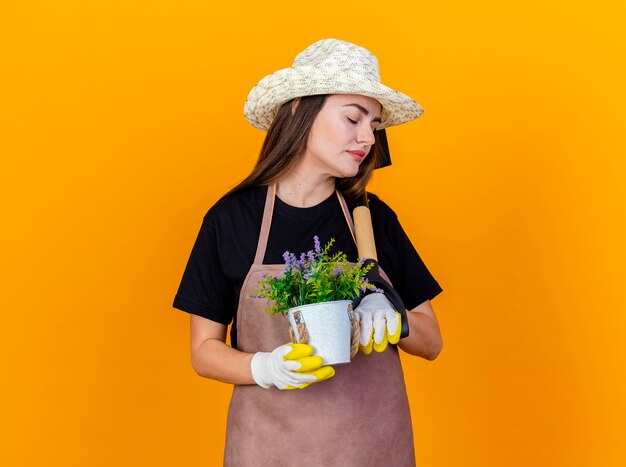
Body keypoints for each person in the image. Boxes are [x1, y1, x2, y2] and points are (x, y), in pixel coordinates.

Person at [173, 38, 443, 467]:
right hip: (267, 450)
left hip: (371, 450)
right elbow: (203, 350)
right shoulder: (231, 220)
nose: (366, 138)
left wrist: (396, 317)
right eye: (353, 118)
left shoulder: (371, 220)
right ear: (301, 110)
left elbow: (432, 343)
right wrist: (264, 368)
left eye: (373, 125)